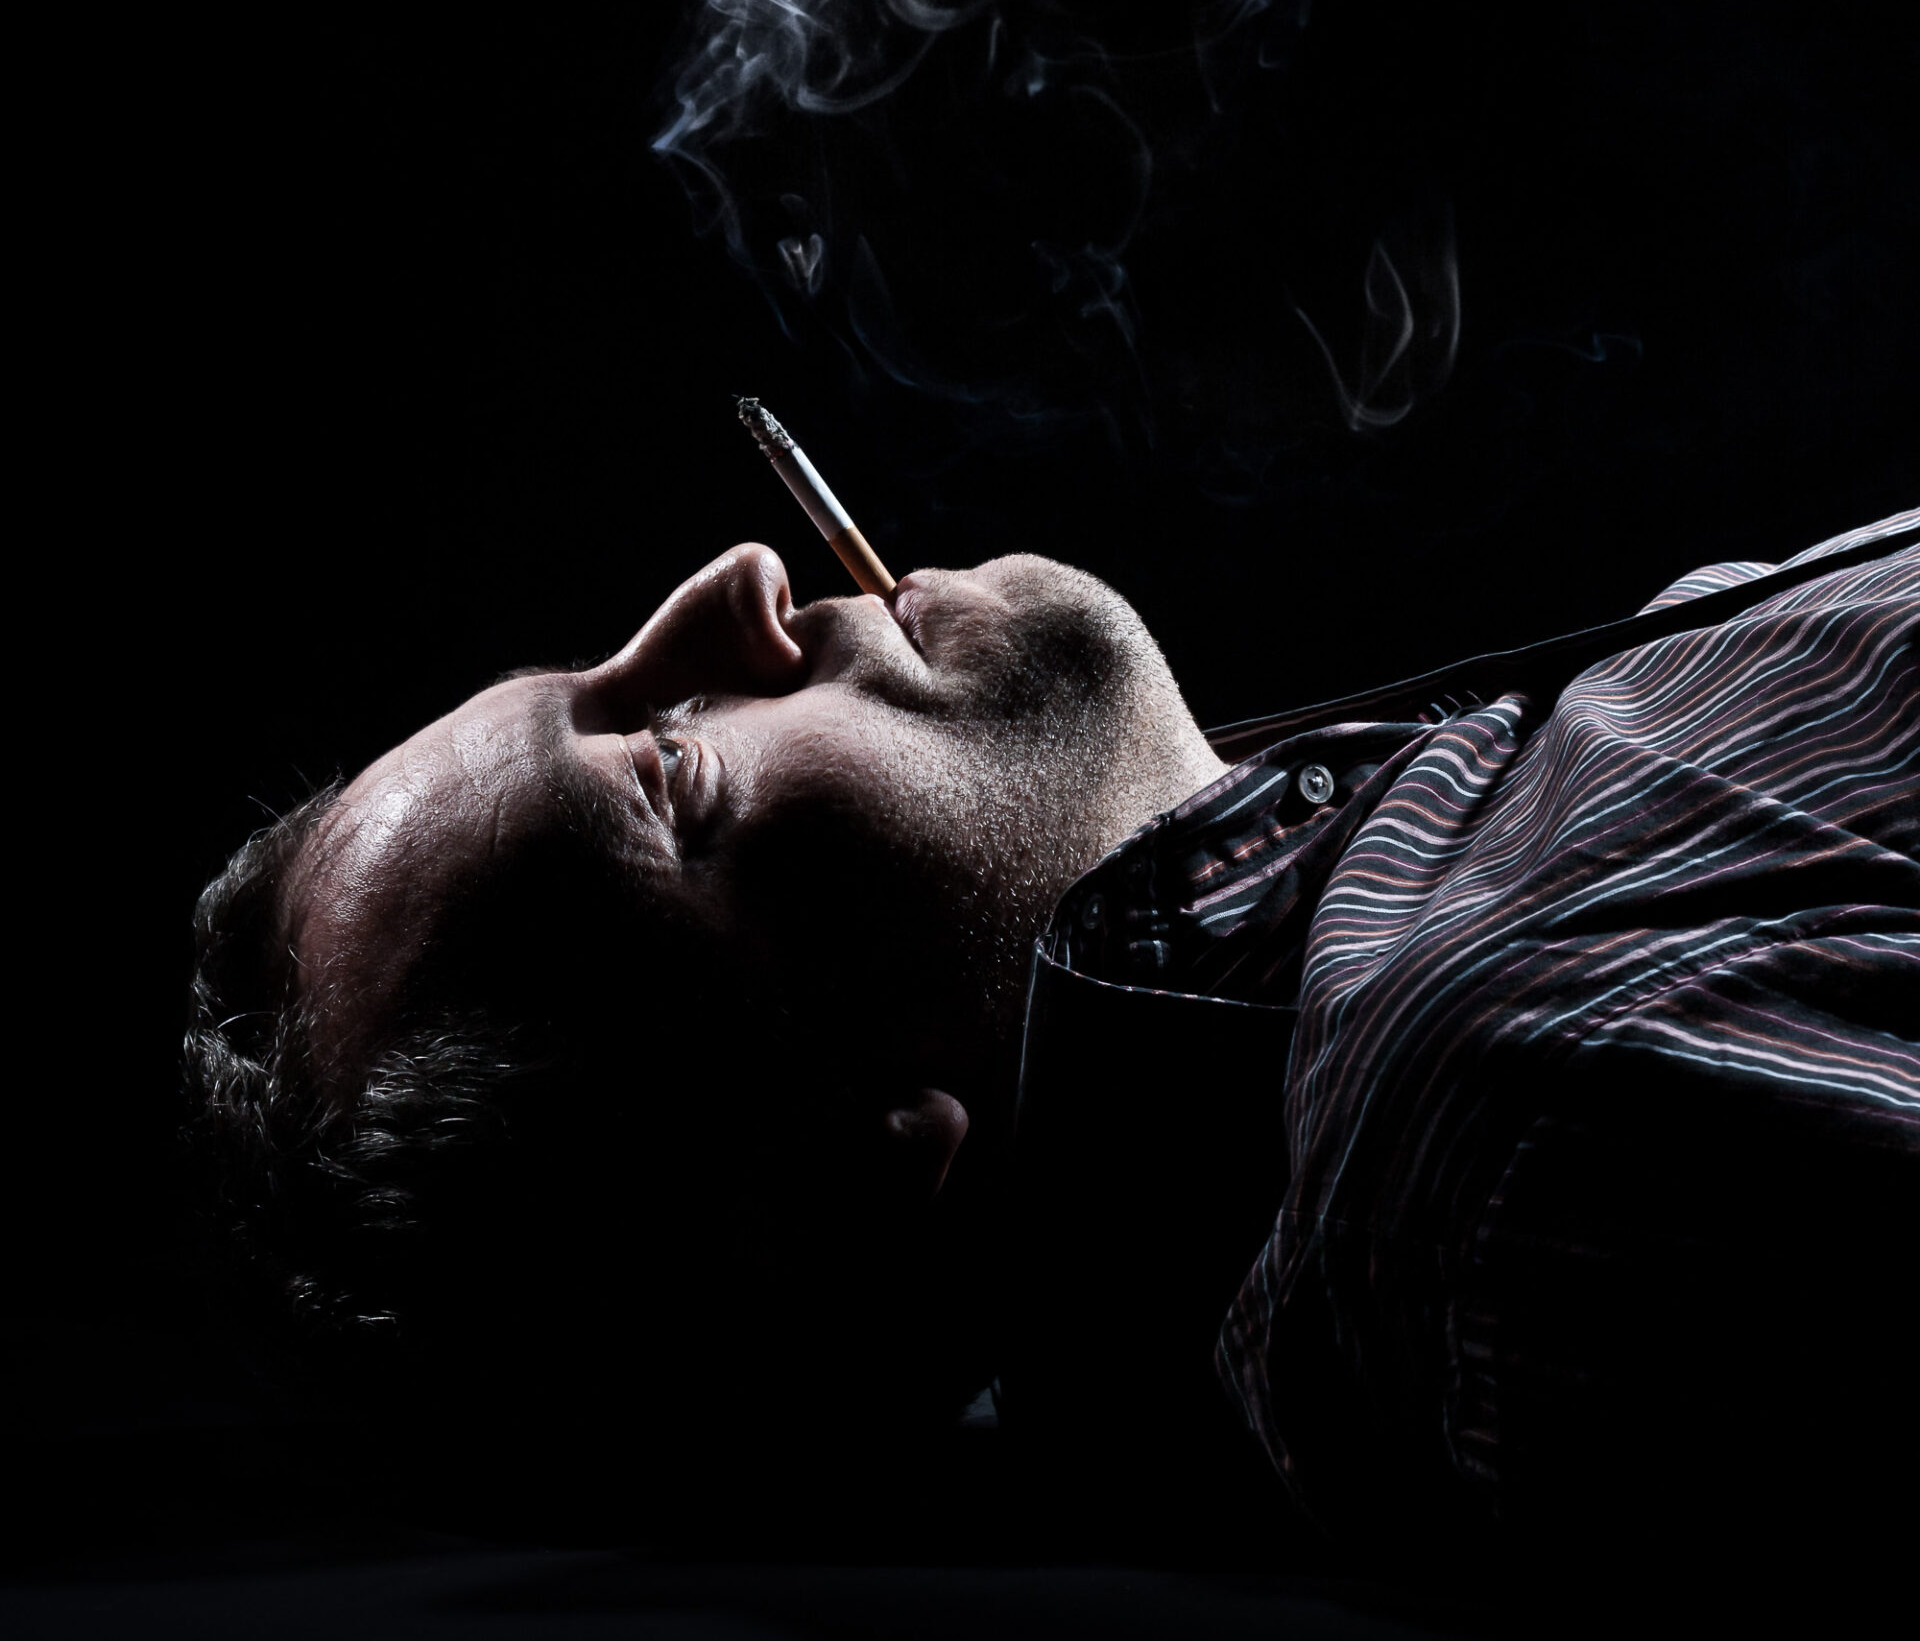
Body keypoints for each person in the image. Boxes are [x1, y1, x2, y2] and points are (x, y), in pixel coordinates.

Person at [185, 511, 1918, 1562]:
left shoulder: (1457, 899)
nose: (737, 585)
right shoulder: (1520, 1160)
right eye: (675, 761)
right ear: (860, 1182)